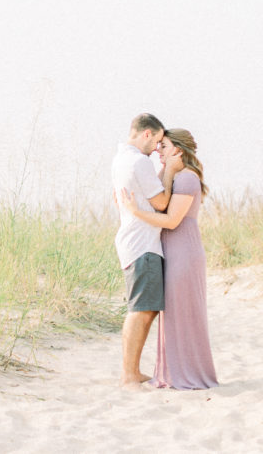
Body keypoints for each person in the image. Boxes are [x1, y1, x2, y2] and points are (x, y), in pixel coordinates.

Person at [119, 128, 218, 390]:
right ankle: (176, 372)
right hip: (173, 252)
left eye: (164, 146)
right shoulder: (176, 176)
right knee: (174, 314)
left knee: (184, 314)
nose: (158, 151)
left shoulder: (187, 179)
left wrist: (135, 212)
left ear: (178, 150)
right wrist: (168, 170)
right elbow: (160, 198)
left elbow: (171, 220)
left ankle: (188, 373)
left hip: (183, 253)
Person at [111, 113, 182, 387]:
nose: (157, 149)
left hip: (134, 240)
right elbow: (163, 203)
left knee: (144, 308)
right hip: (142, 243)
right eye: (157, 141)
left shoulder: (120, 160)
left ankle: (131, 371)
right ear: (146, 134)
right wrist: (172, 172)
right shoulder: (139, 162)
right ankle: (129, 373)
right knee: (141, 309)